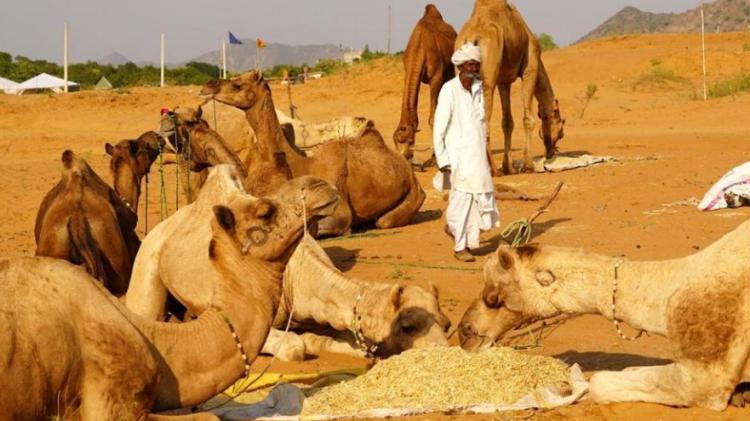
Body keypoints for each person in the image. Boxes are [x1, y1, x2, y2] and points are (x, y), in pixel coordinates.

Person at [433, 42, 500, 262]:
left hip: (478, 156)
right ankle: (460, 247)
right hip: (459, 158)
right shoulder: (449, 90)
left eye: (476, 65)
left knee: (481, 201)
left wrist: (488, 158)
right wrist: (442, 159)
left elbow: (482, 126)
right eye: (471, 64)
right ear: (461, 66)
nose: (474, 69)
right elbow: (439, 128)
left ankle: (459, 232)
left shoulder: (479, 89)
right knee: (462, 202)